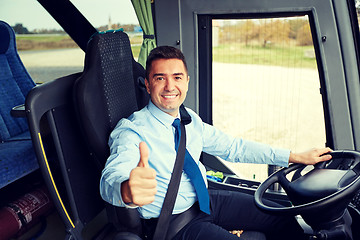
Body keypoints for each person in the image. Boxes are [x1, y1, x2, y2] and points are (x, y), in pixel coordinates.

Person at [100, 46, 332, 240]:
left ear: (187, 82)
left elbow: (235, 147)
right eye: (160, 78)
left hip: (205, 202)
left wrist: (295, 156)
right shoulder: (132, 130)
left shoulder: (189, 119)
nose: (170, 86)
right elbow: (111, 177)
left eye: (177, 77)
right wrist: (126, 189)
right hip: (173, 224)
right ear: (148, 85)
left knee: (280, 216)